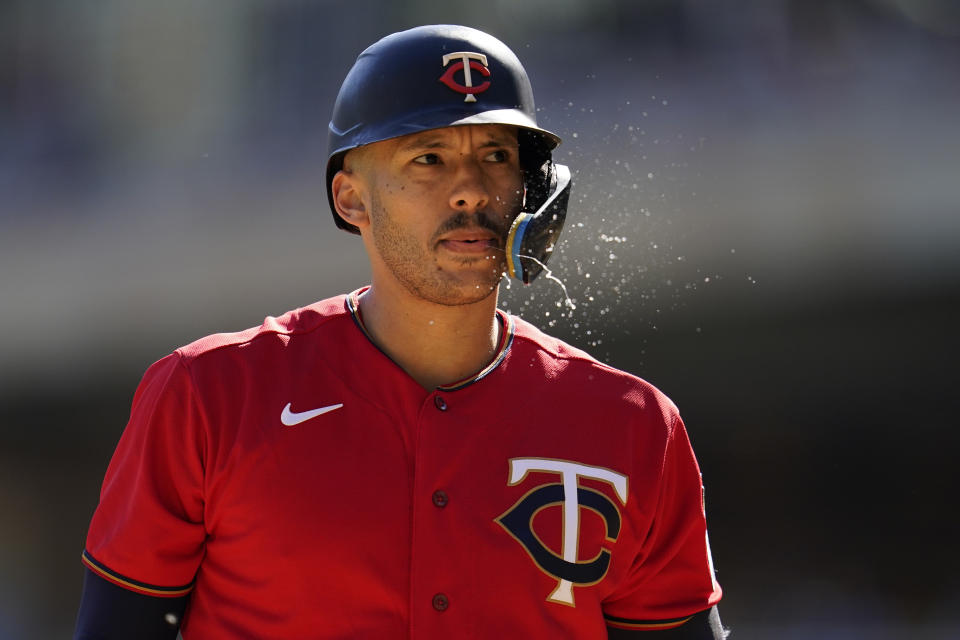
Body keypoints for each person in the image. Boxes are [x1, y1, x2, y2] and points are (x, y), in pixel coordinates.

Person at [74, 24, 726, 639]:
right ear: (351, 198)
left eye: (496, 156)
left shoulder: (633, 425)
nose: (469, 189)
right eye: (429, 158)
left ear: (535, 191)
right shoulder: (208, 396)